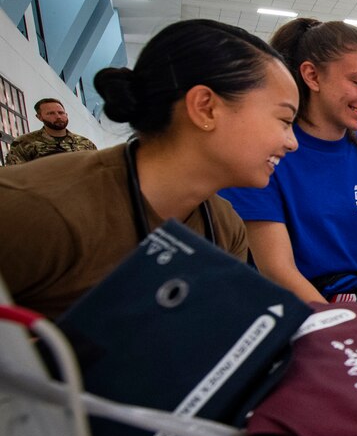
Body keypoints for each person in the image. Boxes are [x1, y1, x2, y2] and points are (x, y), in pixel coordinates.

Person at [0, 19, 298, 318]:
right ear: (205, 107)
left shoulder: (224, 226)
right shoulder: (37, 209)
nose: (292, 142)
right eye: (285, 121)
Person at [221, 18, 357, 304]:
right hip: (297, 311)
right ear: (312, 76)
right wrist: (340, 322)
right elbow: (276, 268)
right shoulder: (264, 153)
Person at [5, 98, 97, 165]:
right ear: (39, 117)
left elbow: (98, 170)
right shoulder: (24, 143)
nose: (58, 117)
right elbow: (16, 175)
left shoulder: (85, 143)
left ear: (66, 114)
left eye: (61, 113)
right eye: (51, 113)